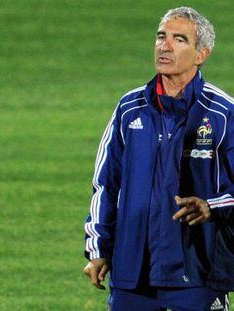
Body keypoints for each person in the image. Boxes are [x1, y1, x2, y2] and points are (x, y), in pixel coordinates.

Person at [84, 7, 234, 310]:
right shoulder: (130, 109)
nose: (165, 46)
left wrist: (211, 205)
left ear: (201, 54)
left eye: (179, 39)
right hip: (132, 272)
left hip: (197, 271)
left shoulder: (223, 113)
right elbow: (105, 184)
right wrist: (99, 247)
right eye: (161, 37)